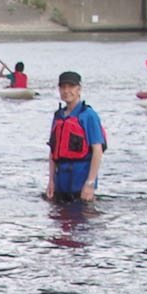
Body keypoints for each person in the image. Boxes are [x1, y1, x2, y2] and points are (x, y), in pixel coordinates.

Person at [45, 70, 107, 205]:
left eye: (71, 87)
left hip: (81, 179)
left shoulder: (89, 115)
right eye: (63, 87)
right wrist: (51, 180)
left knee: (81, 220)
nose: (67, 91)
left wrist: (90, 183)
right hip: (61, 179)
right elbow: (53, 150)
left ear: (79, 89)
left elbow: (97, 150)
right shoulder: (58, 116)